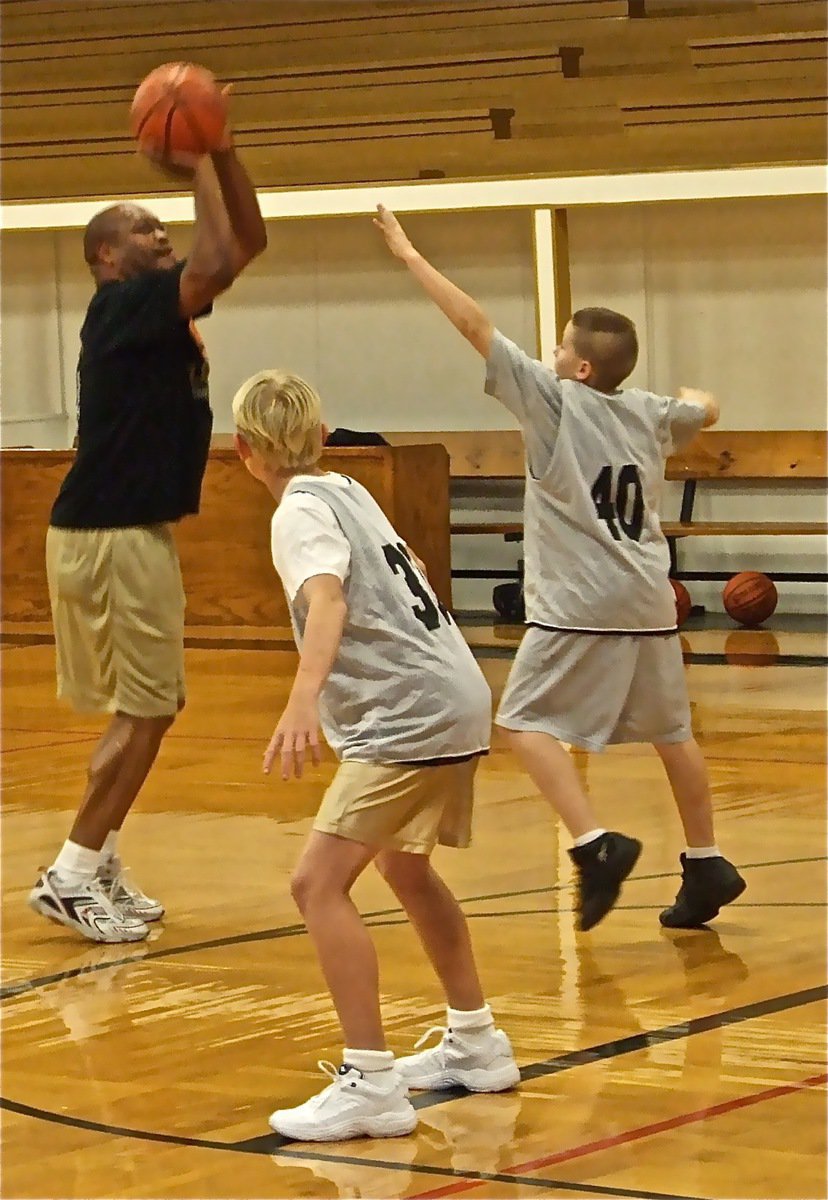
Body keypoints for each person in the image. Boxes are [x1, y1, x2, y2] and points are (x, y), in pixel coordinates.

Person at [373, 204, 746, 933]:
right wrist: (699, 400)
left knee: (521, 721)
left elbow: (474, 325)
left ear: (577, 368)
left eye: (558, 346)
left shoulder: (552, 401)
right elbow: (705, 408)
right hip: (647, 597)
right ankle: (706, 861)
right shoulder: (647, 410)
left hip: (580, 601)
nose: (544, 352)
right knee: (675, 732)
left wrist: (410, 254)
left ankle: (593, 844)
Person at [232, 370, 519, 1142]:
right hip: (456, 690)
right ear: (323, 438)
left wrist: (302, 698)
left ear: (243, 450)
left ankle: (370, 1081)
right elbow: (415, 574)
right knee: (405, 867)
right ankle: (477, 1041)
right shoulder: (347, 490)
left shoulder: (298, 513)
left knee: (316, 884)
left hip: (409, 714)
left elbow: (329, 600)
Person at [28, 98, 267, 945]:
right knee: (148, 709)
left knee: (149, 707)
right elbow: (215, 255)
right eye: (145, 231)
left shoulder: (156, 310)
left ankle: (95, 861)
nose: (161, 238)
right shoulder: (122, 306)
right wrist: (198, 160)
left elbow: (244, 246)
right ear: (106, 255)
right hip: (109, 532)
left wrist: (225, 153)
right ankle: (72, 870)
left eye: (163, 227)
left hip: (126, 530)